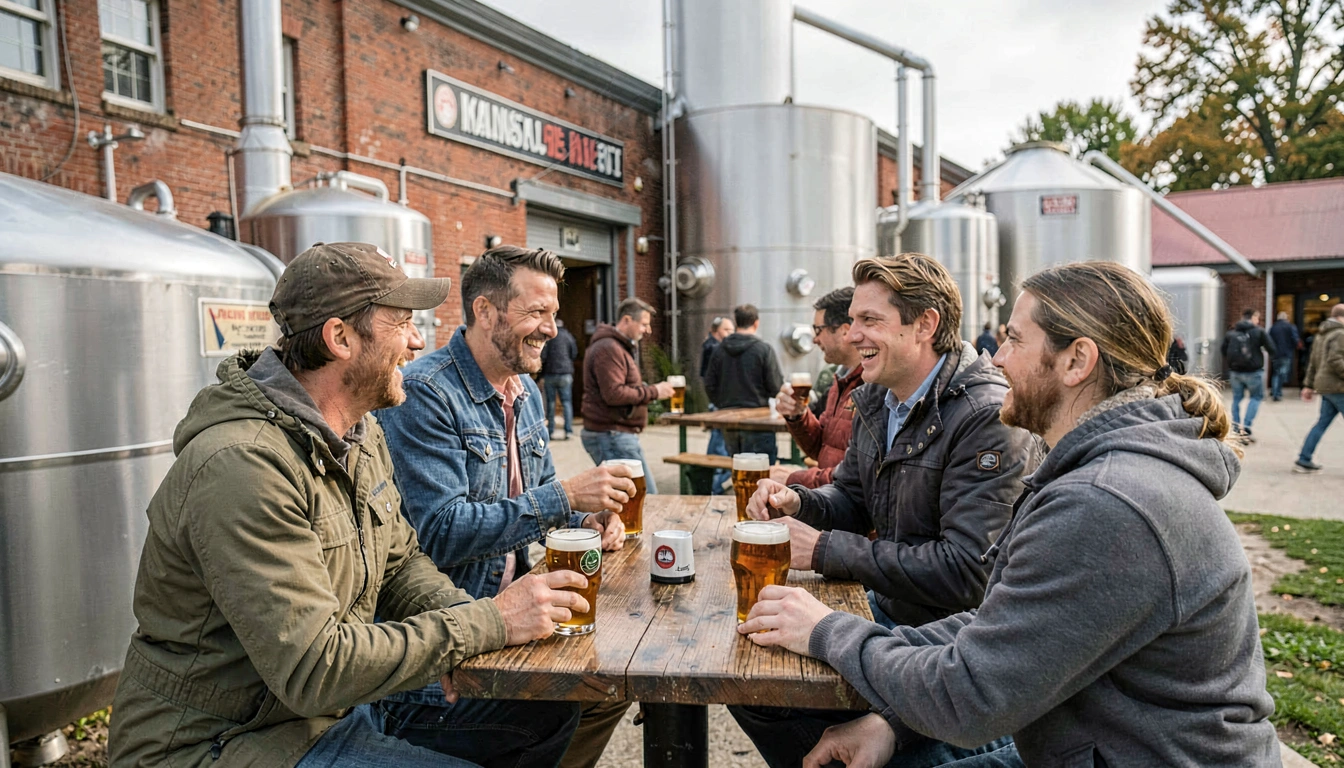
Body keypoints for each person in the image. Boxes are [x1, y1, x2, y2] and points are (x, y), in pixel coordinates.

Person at [737, 261, 1279, 768]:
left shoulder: (1107, 499)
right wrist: (891, 724)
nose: (996, 358)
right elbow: (998, 623)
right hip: (1088, 739)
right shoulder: (1097, 471)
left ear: (1077, 361)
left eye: (1015, 339)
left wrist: (827, 630)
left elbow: (970, 695)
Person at [109, 243, 591, 767]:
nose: (415, 340)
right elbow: (313, 669)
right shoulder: (242, 466)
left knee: (558, 709)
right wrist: (488, 624)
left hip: (333, 715)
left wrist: (466, 622)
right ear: (339, 338)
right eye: (402, 323)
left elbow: (401, 565)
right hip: (221, 743)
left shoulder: (357, 434)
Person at [729, 253, 1039, 767]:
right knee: (751, 669)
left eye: (869, 321)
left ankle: (896, 743)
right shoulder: (877, 395)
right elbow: (850, 498)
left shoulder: (986, 415)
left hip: (949, 639)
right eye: (851, 320)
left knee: (769, 681)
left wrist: (823, 548)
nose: (851, 335)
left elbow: (968, 576)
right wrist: (799, 502)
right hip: (892, 610)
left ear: (926, 325)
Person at [375, 245, 636, 768]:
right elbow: (437, 534)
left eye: (554, 314)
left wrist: (586, 518)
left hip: (519, 616)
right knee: (564, 706)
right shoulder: (426, 392)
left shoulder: (527, 392)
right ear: (485, 311)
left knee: (616, 684)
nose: (552, 329)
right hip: (448, 651)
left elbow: (540, 505)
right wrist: (564, 496)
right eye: (536, 313)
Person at [770, 287, 863, 489]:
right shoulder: (840, 381)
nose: (814, 339)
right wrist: (798, 416)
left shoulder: (874, 385)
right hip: (830, 504)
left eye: (818, 330)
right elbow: (822, 448)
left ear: (845, 331)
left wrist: (793, 478)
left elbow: (858, 477)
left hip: (845, 509)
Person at [580, 297, 676, 493]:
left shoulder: (616, 347)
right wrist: (655, 391)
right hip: (611, 433)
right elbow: (614, 394)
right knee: (646, 495)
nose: (647, 330)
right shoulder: (609, 348)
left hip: (615, 433)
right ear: (626, 320)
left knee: (628, 498)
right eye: (644, 324)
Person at [704, 304, 784, 464]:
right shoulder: (764, 350)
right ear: (756, 323)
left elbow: (709, 384)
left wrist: (722, 404)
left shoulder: (719, 350)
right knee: (762, 470)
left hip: (728, 418)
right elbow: (776, 386)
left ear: (736, 322)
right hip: (759, 420)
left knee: (738, 467)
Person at [1295, 302, 1344, 474]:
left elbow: (1313, 362)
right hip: (1339, 387)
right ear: (1340, 317)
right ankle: (1304, 459)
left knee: (1321, 424)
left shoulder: (1321, 334)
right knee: (1322, 423)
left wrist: (1308, 385)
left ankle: (1304, 459)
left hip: (1325, 387)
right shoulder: (1340, 334)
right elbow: (1335, 360)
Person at [1221, 308, 1277, 442]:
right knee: (1256, 397)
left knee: (1237, 398)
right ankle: (1245, 428)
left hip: (1235, 372)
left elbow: (1223, 350)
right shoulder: (1259, 332)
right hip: (1254, 371)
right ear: (1253, 318)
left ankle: (1235, 428)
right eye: (1257, 318)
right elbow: (1272, 349)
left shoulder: (1231, 333)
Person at [540, 318, 579, 439]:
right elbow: (574, 353)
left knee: (551, 403)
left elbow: (543, 355)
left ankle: (550, 431)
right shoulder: (568, 336)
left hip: (550, 373)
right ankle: (568, 431)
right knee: (566, 402)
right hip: (565, 373)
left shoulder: (549, 339)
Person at [1269, 311, 1301, 401]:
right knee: (1282, 374)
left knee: (1276, 373)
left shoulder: (1273, 327)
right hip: (1286, 353)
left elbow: (1269, 340)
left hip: (1275, 354)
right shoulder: (1290, 327)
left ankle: (1274, 391)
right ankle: (1277, 392)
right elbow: (1295, 339)